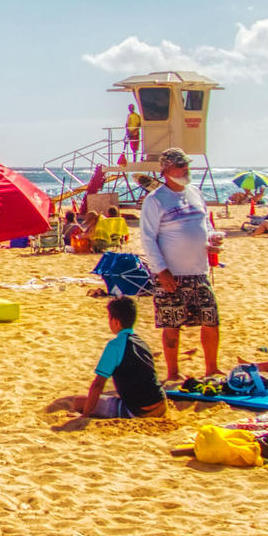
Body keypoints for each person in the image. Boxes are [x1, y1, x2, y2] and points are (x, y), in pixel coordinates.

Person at [138, 147, 220, 380]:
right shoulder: (155, 200)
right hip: (171, 273)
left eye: (186, 165)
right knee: (172, 324)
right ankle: (173, 373)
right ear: (165, 170)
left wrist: (211, 239)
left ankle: (212, 368)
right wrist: (161, 270)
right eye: (180, 165)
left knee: (211, 319)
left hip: (198, 270)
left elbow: (206, 224)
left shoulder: (195, 192)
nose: (186, 169)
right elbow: (147, 238)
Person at [75, 296, 168, 418]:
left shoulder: (114, 346)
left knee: (78, 402)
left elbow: (98, 385)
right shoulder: (142, 342)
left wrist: (85, 415)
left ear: (116, 322)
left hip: (138, 410)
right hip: (161, 404)